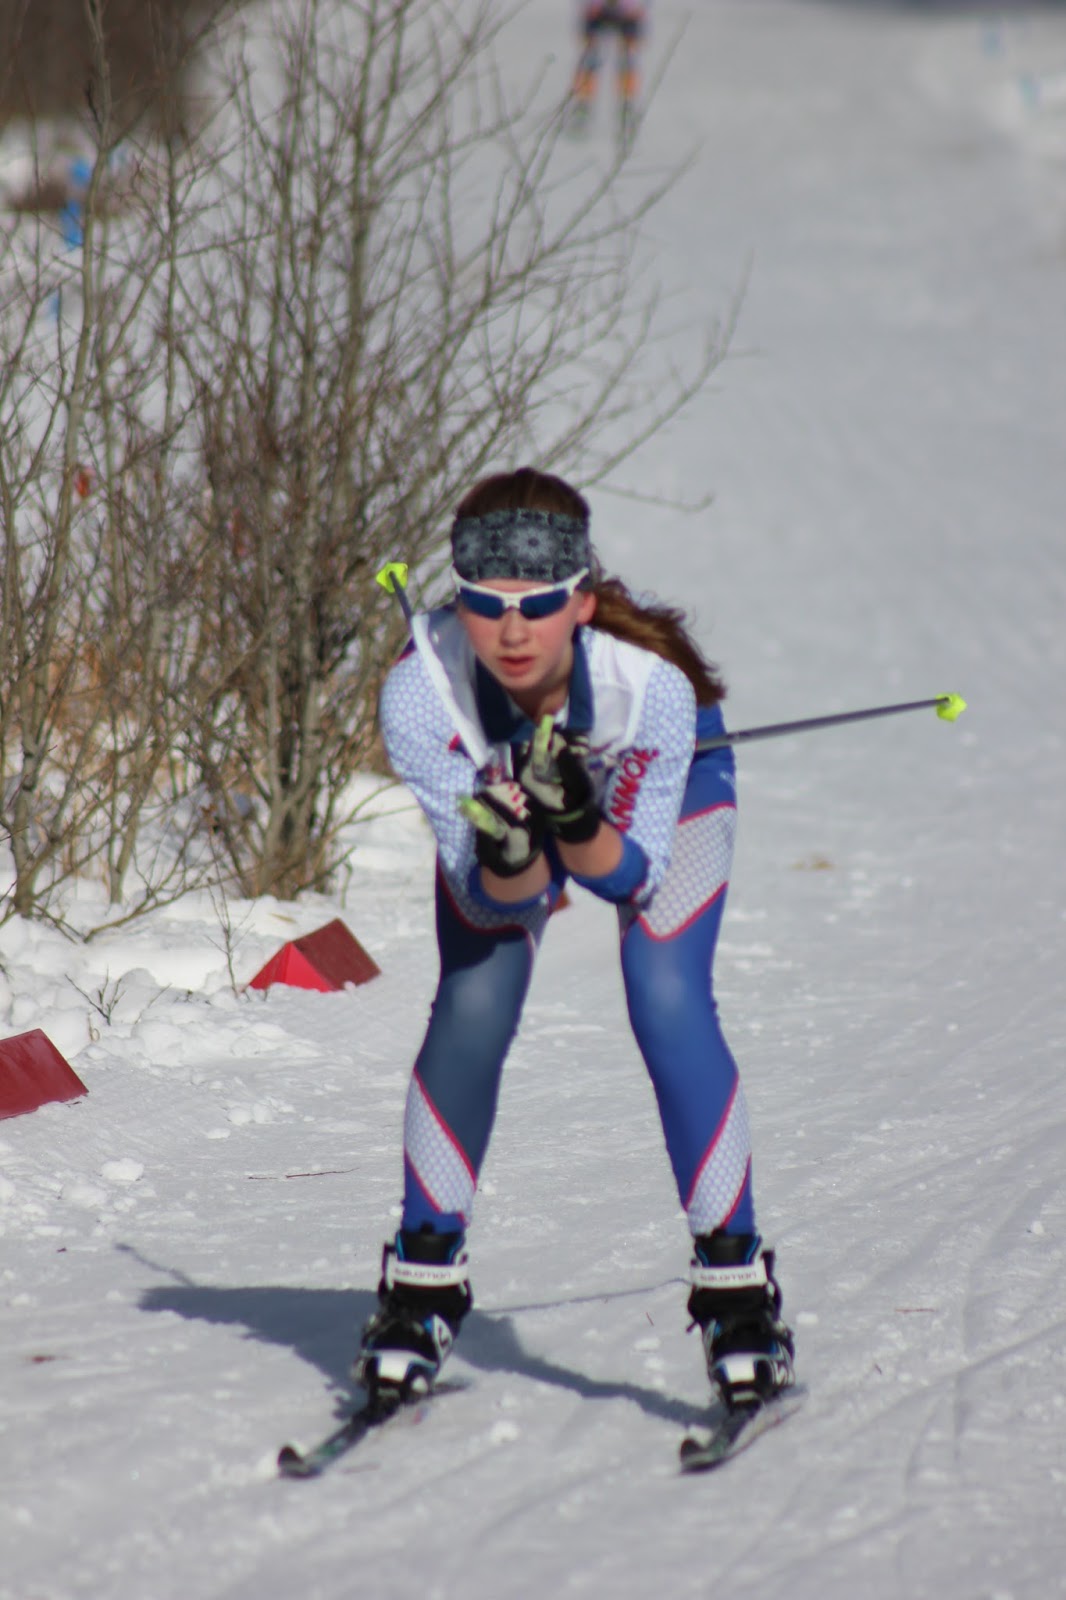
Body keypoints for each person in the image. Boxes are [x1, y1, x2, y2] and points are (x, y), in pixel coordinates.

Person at [354, 467, 795, 1413]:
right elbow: (500, 891)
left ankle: (737, 1288)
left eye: (540, 605)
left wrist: (572, 814)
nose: (512, 633)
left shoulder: (654, 693)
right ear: (459, 598)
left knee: (665, 995)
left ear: (581, 601)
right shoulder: (423, 693)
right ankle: (422, 1274)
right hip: (520, 823)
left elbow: (627, 876)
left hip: (648, 814)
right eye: (486, 604)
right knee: (474, 999)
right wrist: (514, 841)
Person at [569, 2, 647, 131]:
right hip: (596, 10)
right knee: (590, 58)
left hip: (628, 10)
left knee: (626, 59)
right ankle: (582, 104)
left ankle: (626, 105)